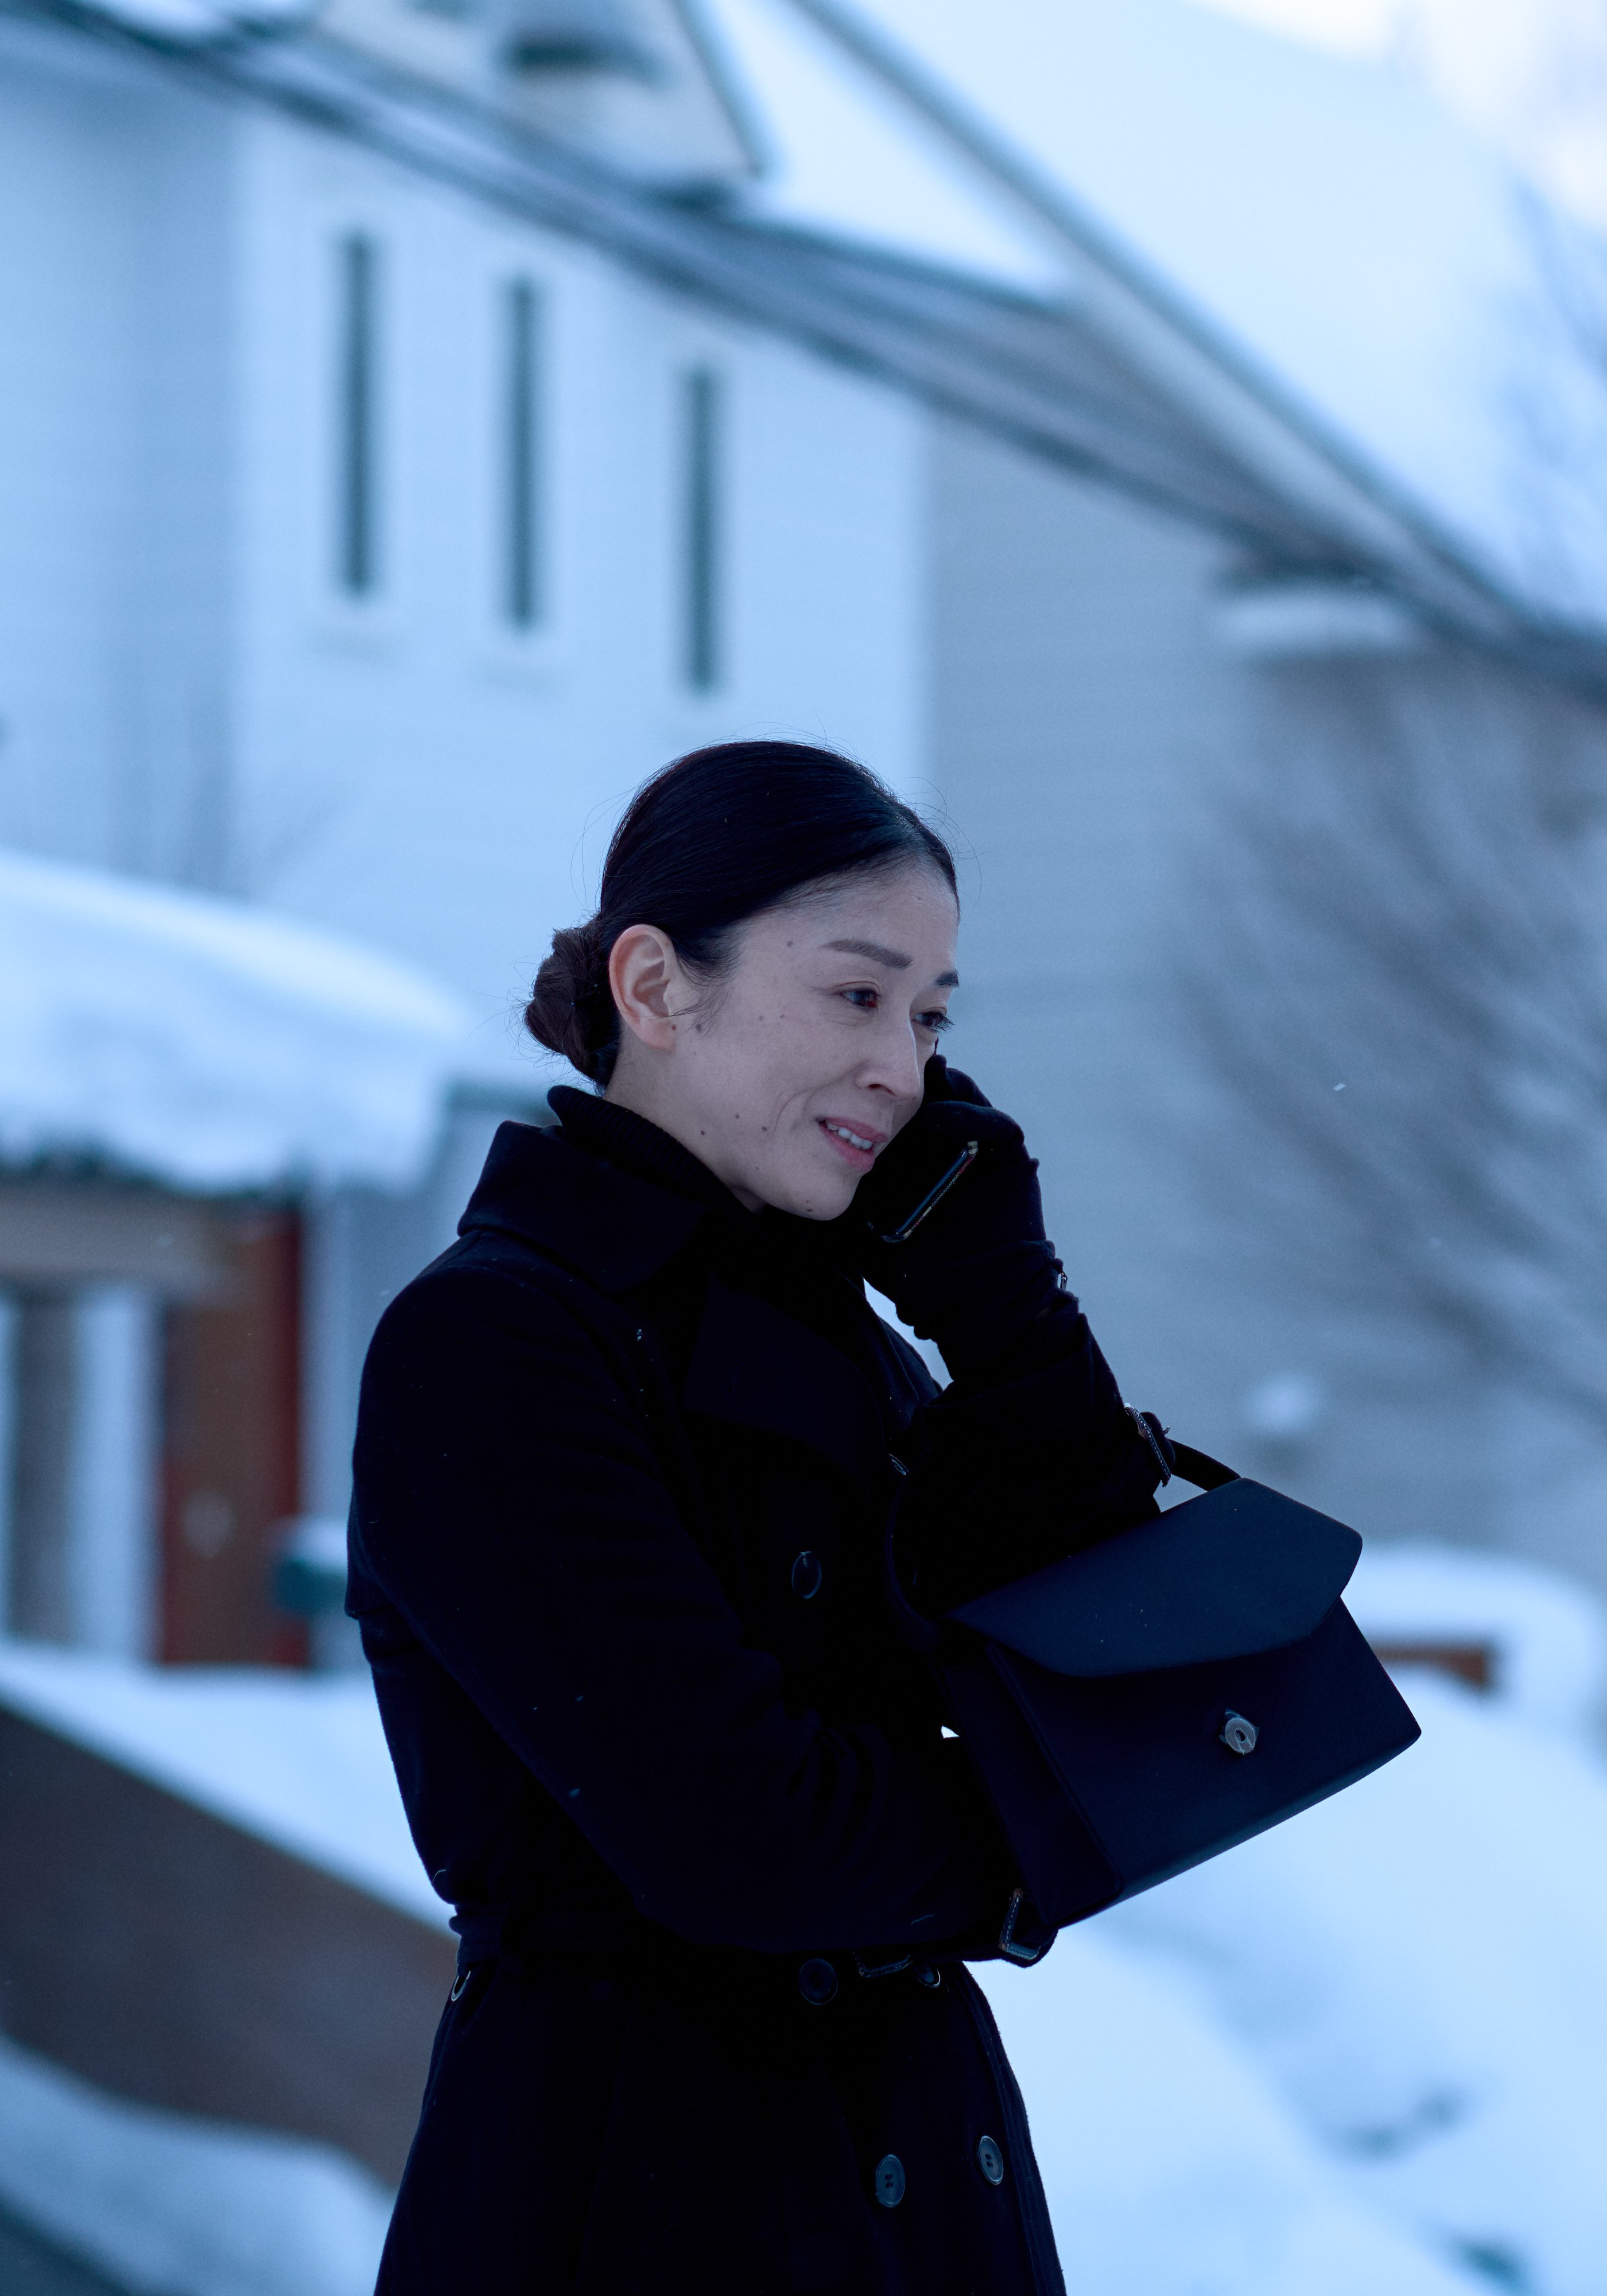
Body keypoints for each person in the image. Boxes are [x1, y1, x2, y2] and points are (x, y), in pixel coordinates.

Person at [350, 741, 1165, 2293]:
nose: (905, 1070)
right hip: (641, 2186)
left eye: (931, 1017)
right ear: (657, 989)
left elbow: (1114, 1663)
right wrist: (1021, 1833)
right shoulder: (499, 1345)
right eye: (856, 996)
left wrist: (1011, 1316)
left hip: (914, 2169)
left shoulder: (853, 1339)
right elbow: (740, 1840)